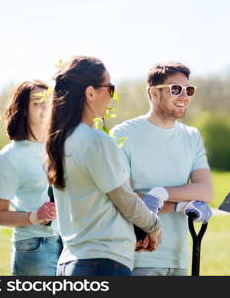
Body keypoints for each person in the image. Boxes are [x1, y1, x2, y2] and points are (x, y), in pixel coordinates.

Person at [46, 56, 161, 276]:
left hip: (69, 263)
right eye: (109, 88)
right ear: (90, 93)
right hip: (102, 264)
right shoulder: (96, 141)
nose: (111, 95)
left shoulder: (59, 142)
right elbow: (125, 199)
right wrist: (153, 227)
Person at [111, 61, 213, 276]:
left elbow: (205, 191)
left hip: (179, 258)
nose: (184, 96)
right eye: (176, 89)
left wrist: (160, 195)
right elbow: (124, 199)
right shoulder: (123, 134)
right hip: (137, 257)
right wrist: (181, 205)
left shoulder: (191, 136)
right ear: (154, 93)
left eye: (189, 90)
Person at [0, 80, 62, 275]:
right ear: (22, 109)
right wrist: (35, 216)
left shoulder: (60, 149)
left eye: (48, 102)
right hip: (34, 248)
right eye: (37, 103)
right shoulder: (10, 156)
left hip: (68, 245)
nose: (44, 108)